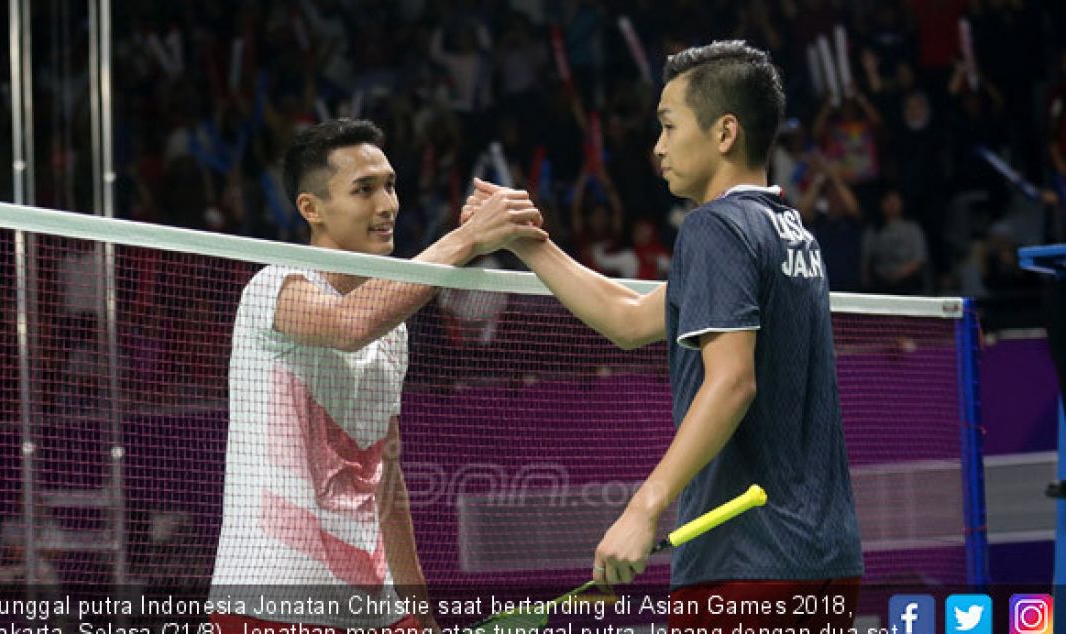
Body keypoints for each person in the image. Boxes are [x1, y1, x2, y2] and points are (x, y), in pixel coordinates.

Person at [464, 41, 862, 632]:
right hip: (828, 559)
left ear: (724, 132)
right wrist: (529, 242)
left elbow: (731, 383)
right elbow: (628, 318)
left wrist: (642, 509)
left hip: (744, 563)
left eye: (669, 126)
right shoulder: (790, 230)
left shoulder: (714, 228)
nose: (658, 146)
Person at [210, 118, 544, 634]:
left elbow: (385, 476)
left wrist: (419, 610)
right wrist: (467, 239)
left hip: (373, 605)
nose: (386, 205)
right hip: (272, 599)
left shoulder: (393, 329)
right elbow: (348, 325)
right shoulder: (274, 287)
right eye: (363, 190)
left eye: (389, 185)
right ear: (311, 209)